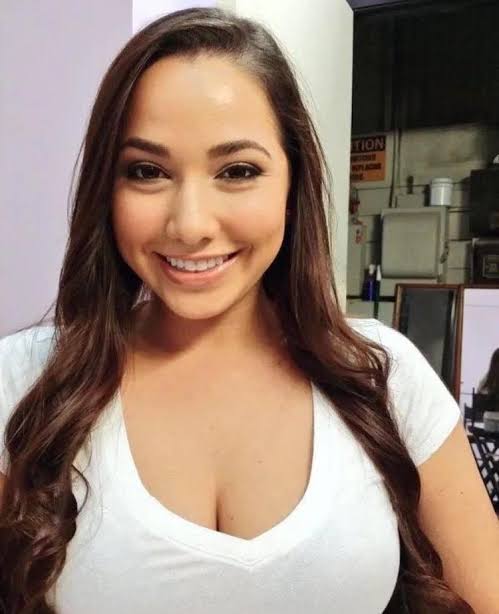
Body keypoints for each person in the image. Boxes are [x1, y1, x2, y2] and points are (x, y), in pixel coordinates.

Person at [0, 7, 498, 614]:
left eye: (238, 171)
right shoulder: (23, 382)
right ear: (107, 189)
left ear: (292, 183)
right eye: (147, 172)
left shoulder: (383, 377)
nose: (190, 224)